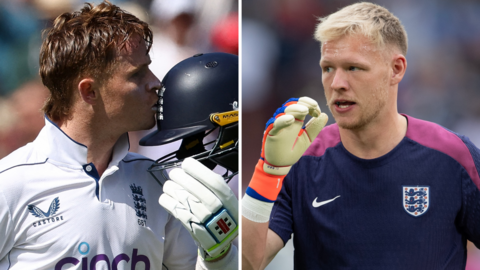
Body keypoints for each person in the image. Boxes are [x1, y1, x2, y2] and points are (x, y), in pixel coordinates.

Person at [0, 1, 238, 269]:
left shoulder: (158, 181)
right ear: (89, 91)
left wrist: (220, 257)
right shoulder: (9, 185)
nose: (156, 83)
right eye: (137, 74)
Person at [242, 2, 480, 269]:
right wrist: (268, 172)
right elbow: (249, 263)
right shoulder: (300, 161)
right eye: (327, 68)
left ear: (396, 70)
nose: (337, 83)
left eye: (354, 68)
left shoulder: (454, 156)